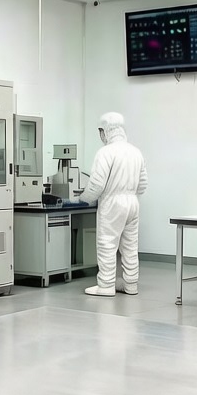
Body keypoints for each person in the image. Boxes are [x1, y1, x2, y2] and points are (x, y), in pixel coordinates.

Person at [77, 112, 148, 296]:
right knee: (130, 246)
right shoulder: (136, 152)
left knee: (107, 244)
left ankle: (106, 285)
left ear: (105, 130)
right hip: (132, 203)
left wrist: (82, 198)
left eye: (100, 131)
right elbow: (143, 185)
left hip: (112, 203)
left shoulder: (105, 152)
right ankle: (131, 284)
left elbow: (96, 185)